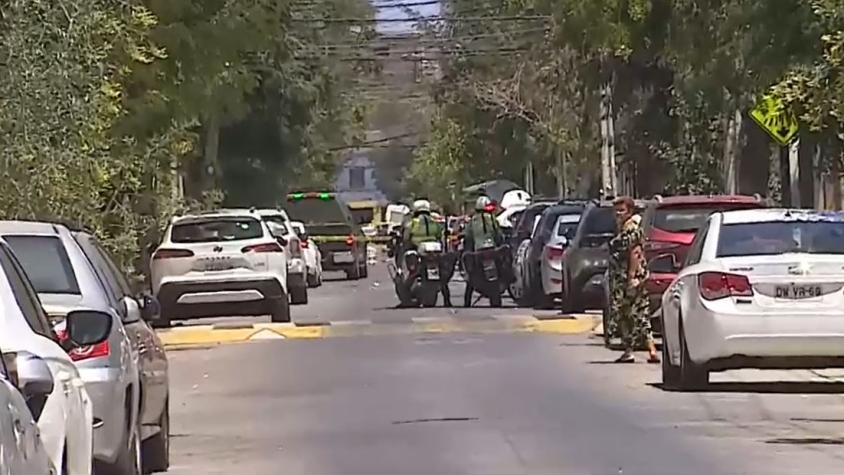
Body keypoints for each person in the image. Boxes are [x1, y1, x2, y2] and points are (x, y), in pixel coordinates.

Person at [608, 196, 659, 363]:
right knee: (640, 312)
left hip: (628, 278)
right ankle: (650, 348)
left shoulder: (631, 228)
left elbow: (635, 253)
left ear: (630, 211)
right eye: (615, 211)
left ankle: (630, 350)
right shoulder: (625, 228)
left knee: (626, 314)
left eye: (621, 210)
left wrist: (631, 278)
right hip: (630, 277)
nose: (617, 214)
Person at [398, 199, 452, 306]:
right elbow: (439, 235)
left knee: (411, 271)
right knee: (443, 278)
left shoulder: (412, 223)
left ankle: (406, 295)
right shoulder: (434, 222)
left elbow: (406, 238)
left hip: (419, 249)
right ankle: (447, 300)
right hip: (434, 250)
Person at [462, 195, 505, 307]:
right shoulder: (492, 219)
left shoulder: (473, 221)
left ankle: (467, 302)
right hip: (492, 250)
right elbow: (499, 235)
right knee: (502, 269)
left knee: (470, 276)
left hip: (478, 251)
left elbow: (468, 237)